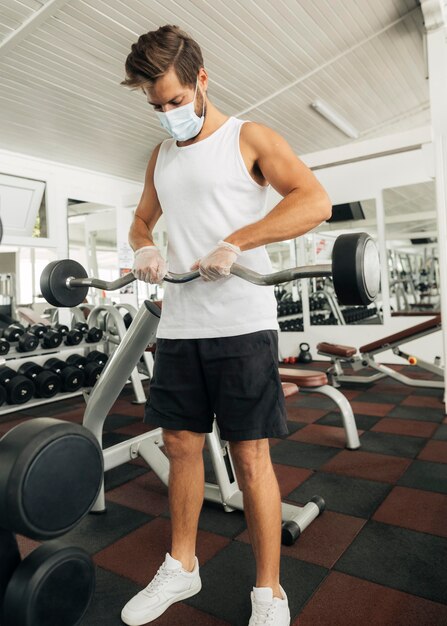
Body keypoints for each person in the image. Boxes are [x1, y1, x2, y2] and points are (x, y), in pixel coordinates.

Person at [120, 24, 331, 626]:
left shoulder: (249, 137)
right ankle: (182, 567)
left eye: (176, 101)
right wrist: (143, 247)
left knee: (249, 455)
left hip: (242, 322)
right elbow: (141, 220)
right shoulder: (159, 156)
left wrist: (235, 241)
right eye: (156, 106)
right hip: (182, 324)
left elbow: (314, 199)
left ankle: (269, 592)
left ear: (201, 80)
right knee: (180, 446)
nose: (167, 114)